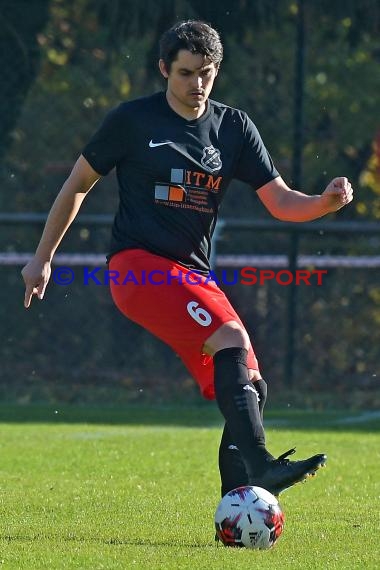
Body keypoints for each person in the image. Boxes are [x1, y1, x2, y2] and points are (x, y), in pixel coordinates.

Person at [22, 20, 353, 499]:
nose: (197, 85)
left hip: (192, 274)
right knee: (231, 338)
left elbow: (281, 201)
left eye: (207, 73)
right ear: (163, 69)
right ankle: (261, 466)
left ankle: (239, 506)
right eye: (185, 73)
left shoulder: (233, 127)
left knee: (251, 385)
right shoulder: (132, 121)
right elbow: (77, 185)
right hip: (138, 267)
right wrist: (43, 257)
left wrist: (324, 203)